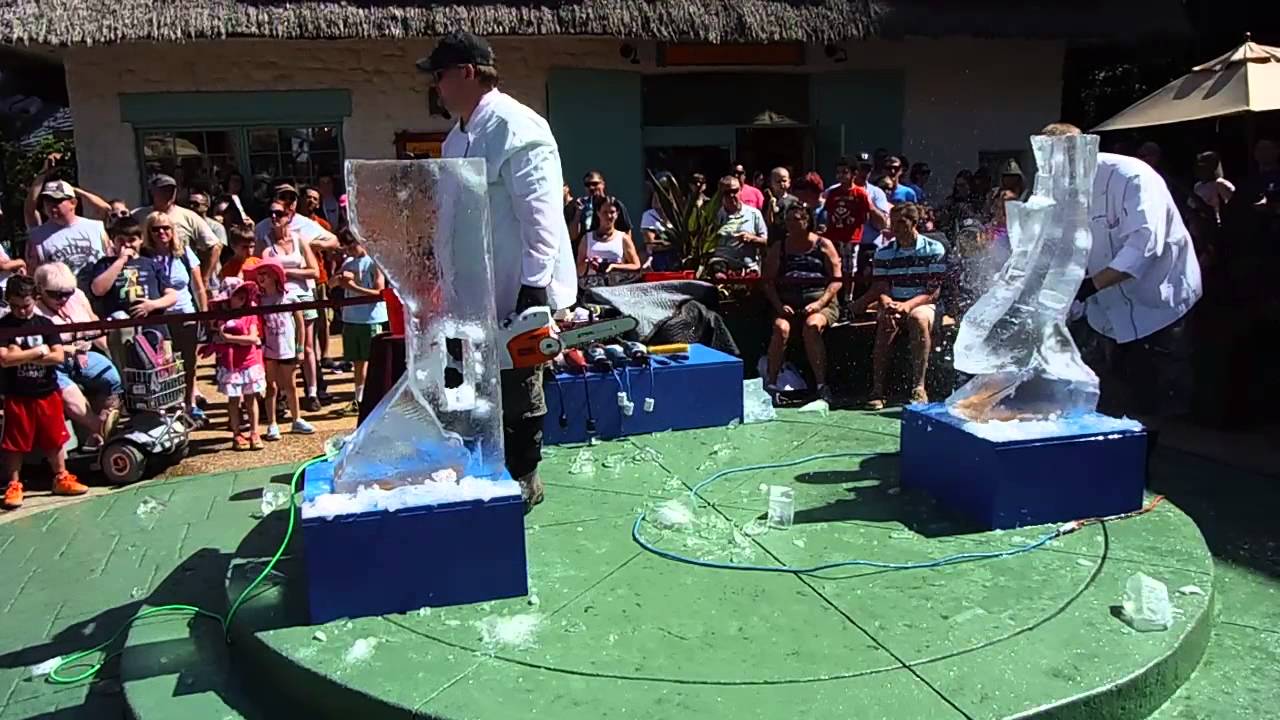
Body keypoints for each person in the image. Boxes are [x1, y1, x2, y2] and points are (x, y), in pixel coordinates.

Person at [422, 30, 577, 509]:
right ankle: (477, 470)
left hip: (513, 289)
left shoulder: (517, 125)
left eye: (441, 77)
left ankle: (524, 478)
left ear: (467, 73)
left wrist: (536, 285)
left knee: (518, 391)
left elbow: (541, 211)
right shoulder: (456, 139)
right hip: (466, 293)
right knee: (467, 390)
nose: (437, 88)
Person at [1041, 123, 1202, 428]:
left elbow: (1144, 246)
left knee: (1153, 404)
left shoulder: (1131, 176)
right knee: (1107, 398)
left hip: (1159, 303)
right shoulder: (1061, 191)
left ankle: (1147, 462)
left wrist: (1088, 287)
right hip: (1106, 310)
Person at [1, 276, 87, 510]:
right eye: (15, 306)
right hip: (17, 394)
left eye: (26, 305)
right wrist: (38, 351)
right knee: (15, 442)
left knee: (54, 437)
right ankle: (14, 484)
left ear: (35, 300)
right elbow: (5, 359)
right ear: (8, 301)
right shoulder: (5, 326)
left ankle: (61, 476)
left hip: (46, 391)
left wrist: (23, 353)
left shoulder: (44, 324)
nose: (20, 311)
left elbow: (58, 356)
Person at [850, 203, 947, 409]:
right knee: (886, 321)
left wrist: (907, 305)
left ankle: (919, 387)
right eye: (893, 223)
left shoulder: (934, 249)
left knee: (917, 319)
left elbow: (933, 292)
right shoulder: (884, 253)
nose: (896, 227)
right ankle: (877, 390)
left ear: (914, 223)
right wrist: (888, 304)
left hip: (924, 303)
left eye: (901, 222)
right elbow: (881, 286)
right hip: (894, 301)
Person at [34, 262, 122, 451]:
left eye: (68, 292)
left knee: (112, 376)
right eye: (55, 294)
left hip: (84, 355)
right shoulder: (34, 311)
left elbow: (93, 324)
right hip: (52, 363)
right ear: (40, 288)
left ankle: (102, 429)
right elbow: (40, 348)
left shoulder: (79, 296)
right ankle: (100, 430)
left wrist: (111, 351)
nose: (63, 298)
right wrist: (66, 350)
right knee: (69, 392)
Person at [761, 203, 842, 403]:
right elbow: (768, 281)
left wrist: (820, 303)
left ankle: (822, 386)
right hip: (788, 302)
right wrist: (779, 305)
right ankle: (771, 386)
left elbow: (836, 280)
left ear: (807, 221)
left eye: (796, 219)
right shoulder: (779, 247)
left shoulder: (823, 244)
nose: (791, 224)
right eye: (788, 220)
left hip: (820, 301)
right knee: (781, 328)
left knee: (812, 326)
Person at [86, 217, 179, 371]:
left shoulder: (151, 264)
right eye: (121, 240)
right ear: (112, 241)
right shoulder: (105, 264)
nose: (127, 245)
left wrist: (151, 305)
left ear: (141, 240)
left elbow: (172, 296)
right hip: (121, 332)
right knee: (128, 373)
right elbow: (98, 289)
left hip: (155, 328)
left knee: (161, 374)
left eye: (132, 240)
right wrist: (121, 261)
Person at [260, 198, 324, 413]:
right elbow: (262, 271)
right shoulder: (266, 243)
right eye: (272, 213)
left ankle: (312, 391)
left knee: (306, 346)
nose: (274, 217)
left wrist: (286, 273)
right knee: (279, 346)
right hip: (279, 299)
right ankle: (282, 396)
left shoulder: (299, 240)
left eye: (279, 213)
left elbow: (314, 271)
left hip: (303, 296)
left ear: (288, 216)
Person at [142, 211, 207, 418]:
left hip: (186, 313)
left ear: (173, 231)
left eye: (166, 228)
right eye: (156, 229)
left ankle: (189, 403)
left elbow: (198, 287)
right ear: (149, 232)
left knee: (189, 362)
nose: (161, 232)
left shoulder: (184, 253)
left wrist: (203, 315)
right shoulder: (145, 256)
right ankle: (170, 404)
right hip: (159, 317)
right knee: (165, 363)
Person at [253, 257, 313, 439]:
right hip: (269, 349)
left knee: (291, 385)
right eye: (259, 274)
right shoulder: (259, 301)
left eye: (265, 274)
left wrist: (300, 347)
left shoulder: (289, 296)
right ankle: (272, 423)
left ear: (275, 276)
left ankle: (297, 418)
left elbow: (300, 323)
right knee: (271, 387)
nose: (261, 277)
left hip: (287, 348)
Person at [330, 230, 388, 415]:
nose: (350, 250)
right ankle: (359, 398)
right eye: (347, 247)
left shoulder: (373, 262)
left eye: (352, 245)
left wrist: (352, 287)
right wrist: (339, 280)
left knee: (372, 360)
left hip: (370, 319)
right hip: (351, 318)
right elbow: (331, 283)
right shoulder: (348, 262)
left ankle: (375, 398)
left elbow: (380, 292)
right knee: (357, 361)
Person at [207, 278, 266, 450]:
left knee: (250, 398)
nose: (240, 299)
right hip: (230, 365)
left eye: (243, 297)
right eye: (237, 296)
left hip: (249, 362)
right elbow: (217, 336)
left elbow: (254, 338)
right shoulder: (221, 318)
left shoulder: (250, 315)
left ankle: (255, 432)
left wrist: (231, 339)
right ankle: (236, 434)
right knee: (233, 400)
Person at [24, 179, 109, 277]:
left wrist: (77, 191)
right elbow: (33, 273)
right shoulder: (38, 236)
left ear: (73, 203)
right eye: (47, 201)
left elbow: (110, 257)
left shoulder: (96, 227)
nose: (51, 205)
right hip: (61, 291)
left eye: (57, 200)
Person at [576, 197, 642, 284]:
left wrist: (614, 267)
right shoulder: (587, 238)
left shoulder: (623, 238)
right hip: (592, 287)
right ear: (598, 213)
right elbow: (578, 270)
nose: (608, 216)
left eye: (612, 212)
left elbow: (636, 266)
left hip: (617, 286)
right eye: (605, 212)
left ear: (617, 214)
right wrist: (588, 264)